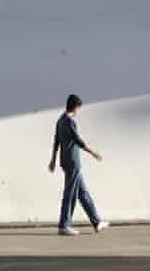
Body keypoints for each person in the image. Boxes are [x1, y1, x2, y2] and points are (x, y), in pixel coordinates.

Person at [48, 93, 108, 235]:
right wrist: (93, 152)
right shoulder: (69, 122)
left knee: (83, 193)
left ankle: (97, 222)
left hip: (65, 161)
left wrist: (53, 159)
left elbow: (56, 141)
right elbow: (78, 141)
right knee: (70, 194)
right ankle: (64, 225)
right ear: (75, 107)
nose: (78, 112)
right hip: (72, 162)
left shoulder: (60, 120)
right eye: (78, 108)